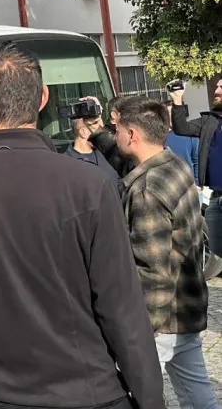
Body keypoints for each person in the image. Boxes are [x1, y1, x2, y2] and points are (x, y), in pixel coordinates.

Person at [0, 43, 164, 409]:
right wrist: (150, 400)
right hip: (90, 393)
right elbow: (122, 310)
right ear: (43, 97)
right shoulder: (88, 185)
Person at [114, 97, 215, 409]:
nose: (115, 135)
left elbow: (153, 271)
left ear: (132, 134)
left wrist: (141, 331)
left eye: (116, 129)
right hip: (187, 307)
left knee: (130, 395)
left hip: (161, 322)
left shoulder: (147, 189)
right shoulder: (175, 165)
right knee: (198, 397)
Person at [171, 80, 222, 256]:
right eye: (217, 86)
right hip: (215, 197)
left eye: (221, 87)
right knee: (216, 254)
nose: (216, 90)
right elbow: (181, 128)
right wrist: (177, 99)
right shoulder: (210, 121)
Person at [63, 117, 120, 186]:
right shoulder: (67, 165)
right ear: (83, 132)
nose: (102, 126)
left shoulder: (105, 152)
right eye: (95, 123)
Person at [163, 100, 201, 186]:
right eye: (168, 114)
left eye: (174, 113)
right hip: (166, 185)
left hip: (188, 184)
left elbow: (197, 161)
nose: (172, 116)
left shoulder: (190, 134)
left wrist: (197, 183)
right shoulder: (158, 137)